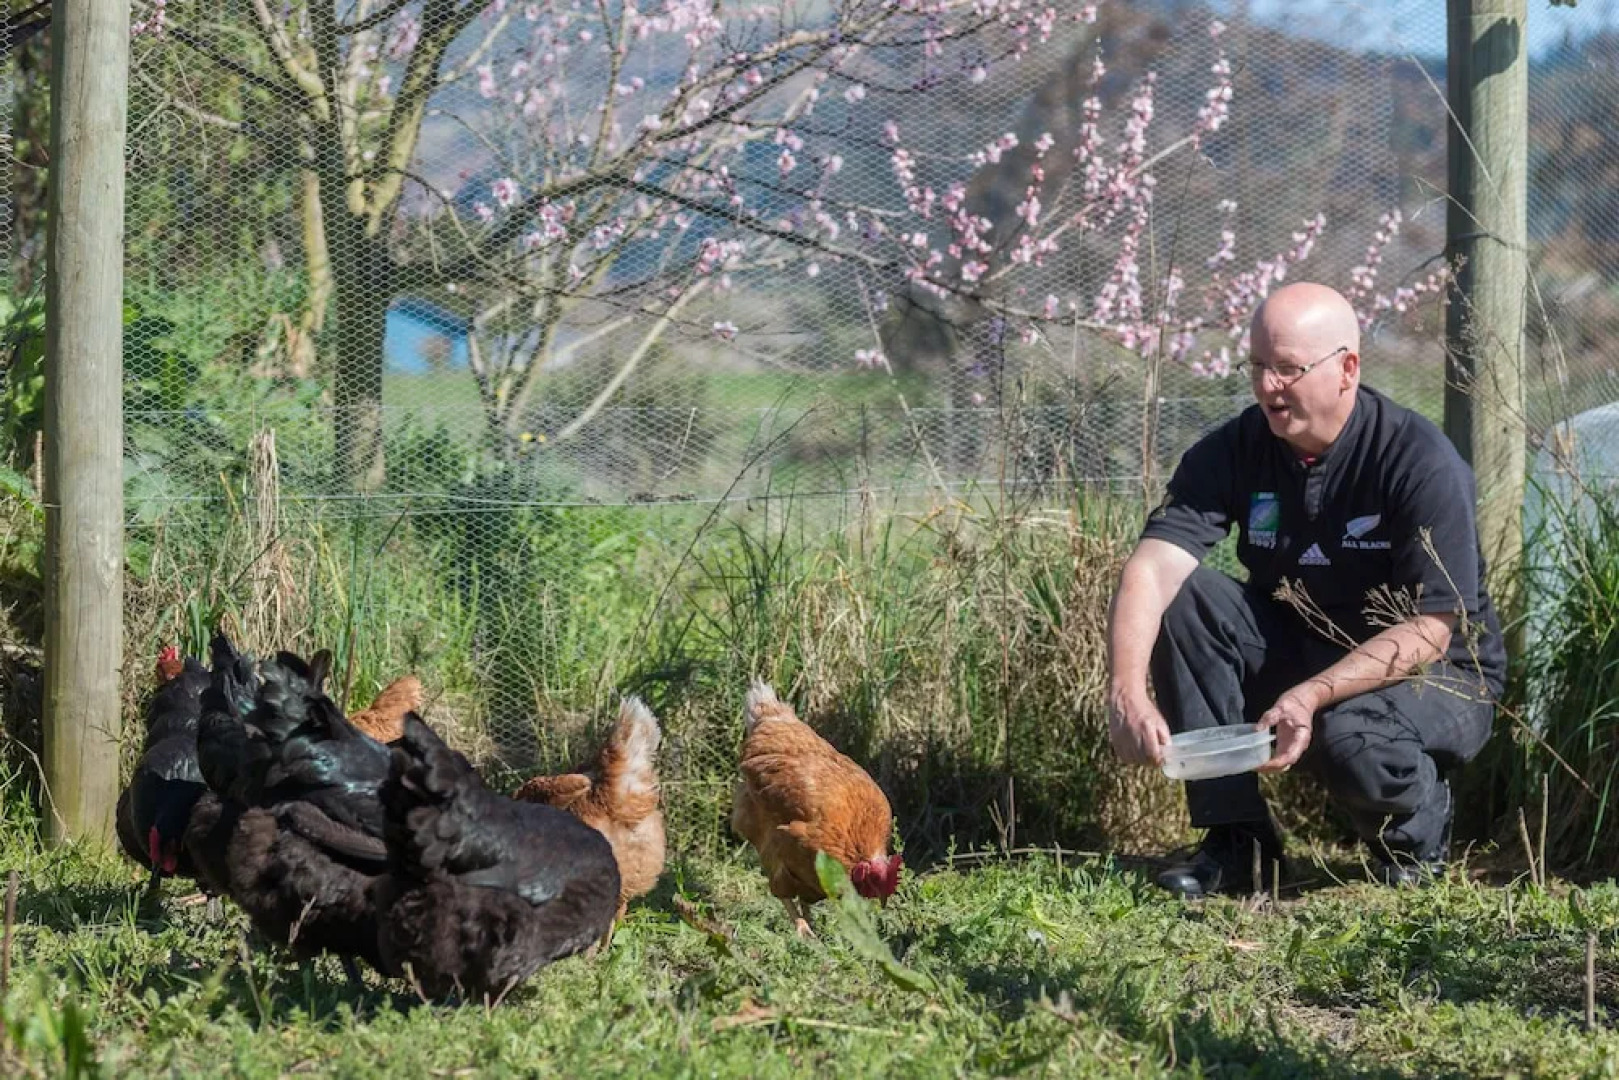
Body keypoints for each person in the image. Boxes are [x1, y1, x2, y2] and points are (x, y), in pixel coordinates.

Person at [1105, 281, 1507, 898]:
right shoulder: (1235, 448)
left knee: (1353, 733)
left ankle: (1414, 842)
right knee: (1186, 599)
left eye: (1288, 368)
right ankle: (1238, 844)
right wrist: (1126, 690)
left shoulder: (1417, 459)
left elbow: (1433, 627)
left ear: (1347, 368)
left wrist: (1314, 695)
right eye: (1258, 366)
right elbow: (1153, 568)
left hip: (1435, 671)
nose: (1268, 386)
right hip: (1301, 645)